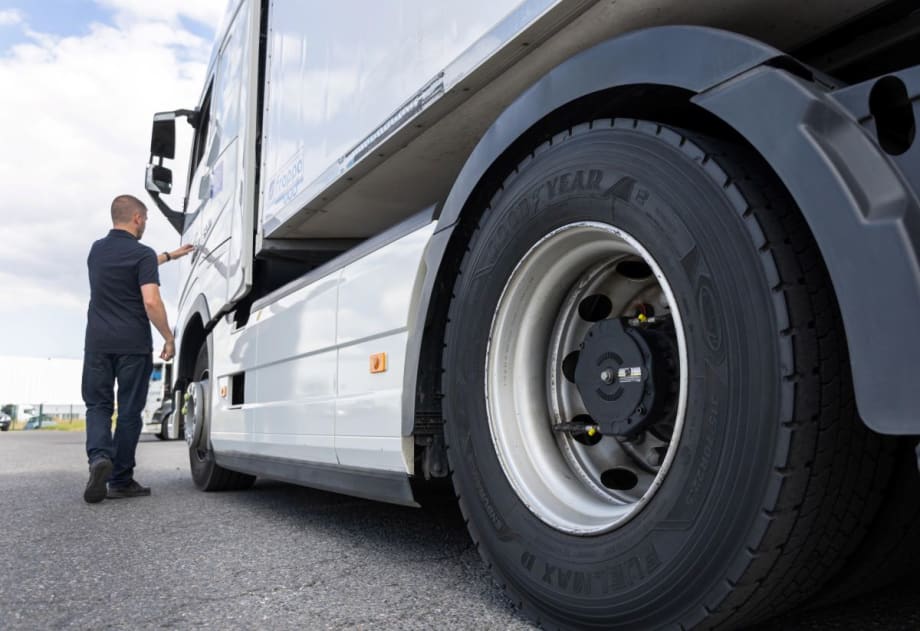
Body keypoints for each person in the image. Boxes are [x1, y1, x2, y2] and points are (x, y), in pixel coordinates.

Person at [82, 194, 193, 503]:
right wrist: (169, 337)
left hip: (98, 345)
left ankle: (98, 459)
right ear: (138, 219)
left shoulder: (97, 250)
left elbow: (131, 263)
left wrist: (170, 256)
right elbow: (151, 300)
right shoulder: (141, 254)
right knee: (129, 411)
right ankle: (119, 479)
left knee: (98, 406)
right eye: (145, 220)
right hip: (133, 344)